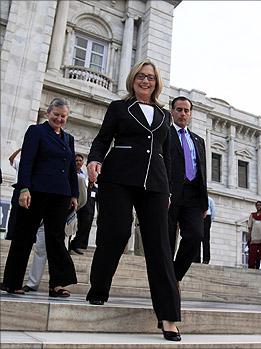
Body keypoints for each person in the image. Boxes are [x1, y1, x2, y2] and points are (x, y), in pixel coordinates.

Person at [85, 58, 181, 341]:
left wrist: (170, 192)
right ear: (133, 79)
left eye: (150, 77)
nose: (145, 80)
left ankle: (168, 316)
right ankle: (99, 288)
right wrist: (94, 160)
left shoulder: (165, 116)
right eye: (140, 76)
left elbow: (168, 156)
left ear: (157, 82)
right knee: (115, 233)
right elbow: (103, 139)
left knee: (160, 246)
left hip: (156, 184)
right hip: (118, 177)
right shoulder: (119, 108)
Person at [1, 97, 78, 297]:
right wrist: (24, 188)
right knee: (24, 236)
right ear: (48, 114)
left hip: (61, 194)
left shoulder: (68, 138)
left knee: (55, 238)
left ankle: (57, 284)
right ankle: (12, 282)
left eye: (63, 116)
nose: (59, 119)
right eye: (56, 115)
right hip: (36, 192)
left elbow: (71, 169)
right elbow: (26, 161)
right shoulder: (36, 132)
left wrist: (74, 194)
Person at [23, 172, 87, 292]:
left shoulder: (78, 178)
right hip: (44, 218)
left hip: (64, 220)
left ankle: (58, 283)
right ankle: (32, 283)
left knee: (59, 249)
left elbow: (82, 198)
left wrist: (72, 209)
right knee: (40, 249)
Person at [168, 96, 208, 282]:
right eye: (179, 110)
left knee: (195, 235)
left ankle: (174, 276)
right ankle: (165, 282)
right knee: (166, 242)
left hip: (193, 195)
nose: (183, 114)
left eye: (186, 110)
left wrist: (204, 202)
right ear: (172, 112)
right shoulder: (165, 134)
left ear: (190, 114)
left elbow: (203, 171)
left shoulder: (199, 140)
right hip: (169, 194)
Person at [69, 153, 97, 255]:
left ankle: (76, 244)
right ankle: (67, 245)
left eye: (80, 161)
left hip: (83, 203)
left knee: (84, 225)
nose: (78, 162)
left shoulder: (84, 175)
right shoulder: (70, 173)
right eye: (76, 160)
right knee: (69, 224)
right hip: (72, 203)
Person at [5, 148, 21, 240]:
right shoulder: (20, 162)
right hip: (18, 188)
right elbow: (11, 159)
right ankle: (11, 234)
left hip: (30, 190)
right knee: (14, 213)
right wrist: (19, 150)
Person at [194, 196, 216, 264]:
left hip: (206, 217)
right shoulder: (198, 199)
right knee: (198, 238)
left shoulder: (210, 199)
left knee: (205, 239)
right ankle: (198, 258)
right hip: (200, 216)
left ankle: (205, 259)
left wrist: (209, 221)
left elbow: (213, 211)